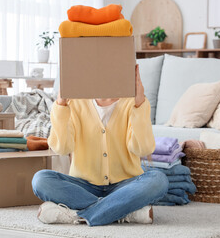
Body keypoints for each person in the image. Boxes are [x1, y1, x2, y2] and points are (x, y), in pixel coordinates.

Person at [32, 65, 169, 226]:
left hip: (124, 185)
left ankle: (78, 214)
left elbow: (143, 149)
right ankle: (122, 211)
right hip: (83, 186)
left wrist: (140, 103)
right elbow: (62, 148)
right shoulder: (75, 102)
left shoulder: (131, 103)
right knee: (41, 179)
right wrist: (61, 104)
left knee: (158, 180)